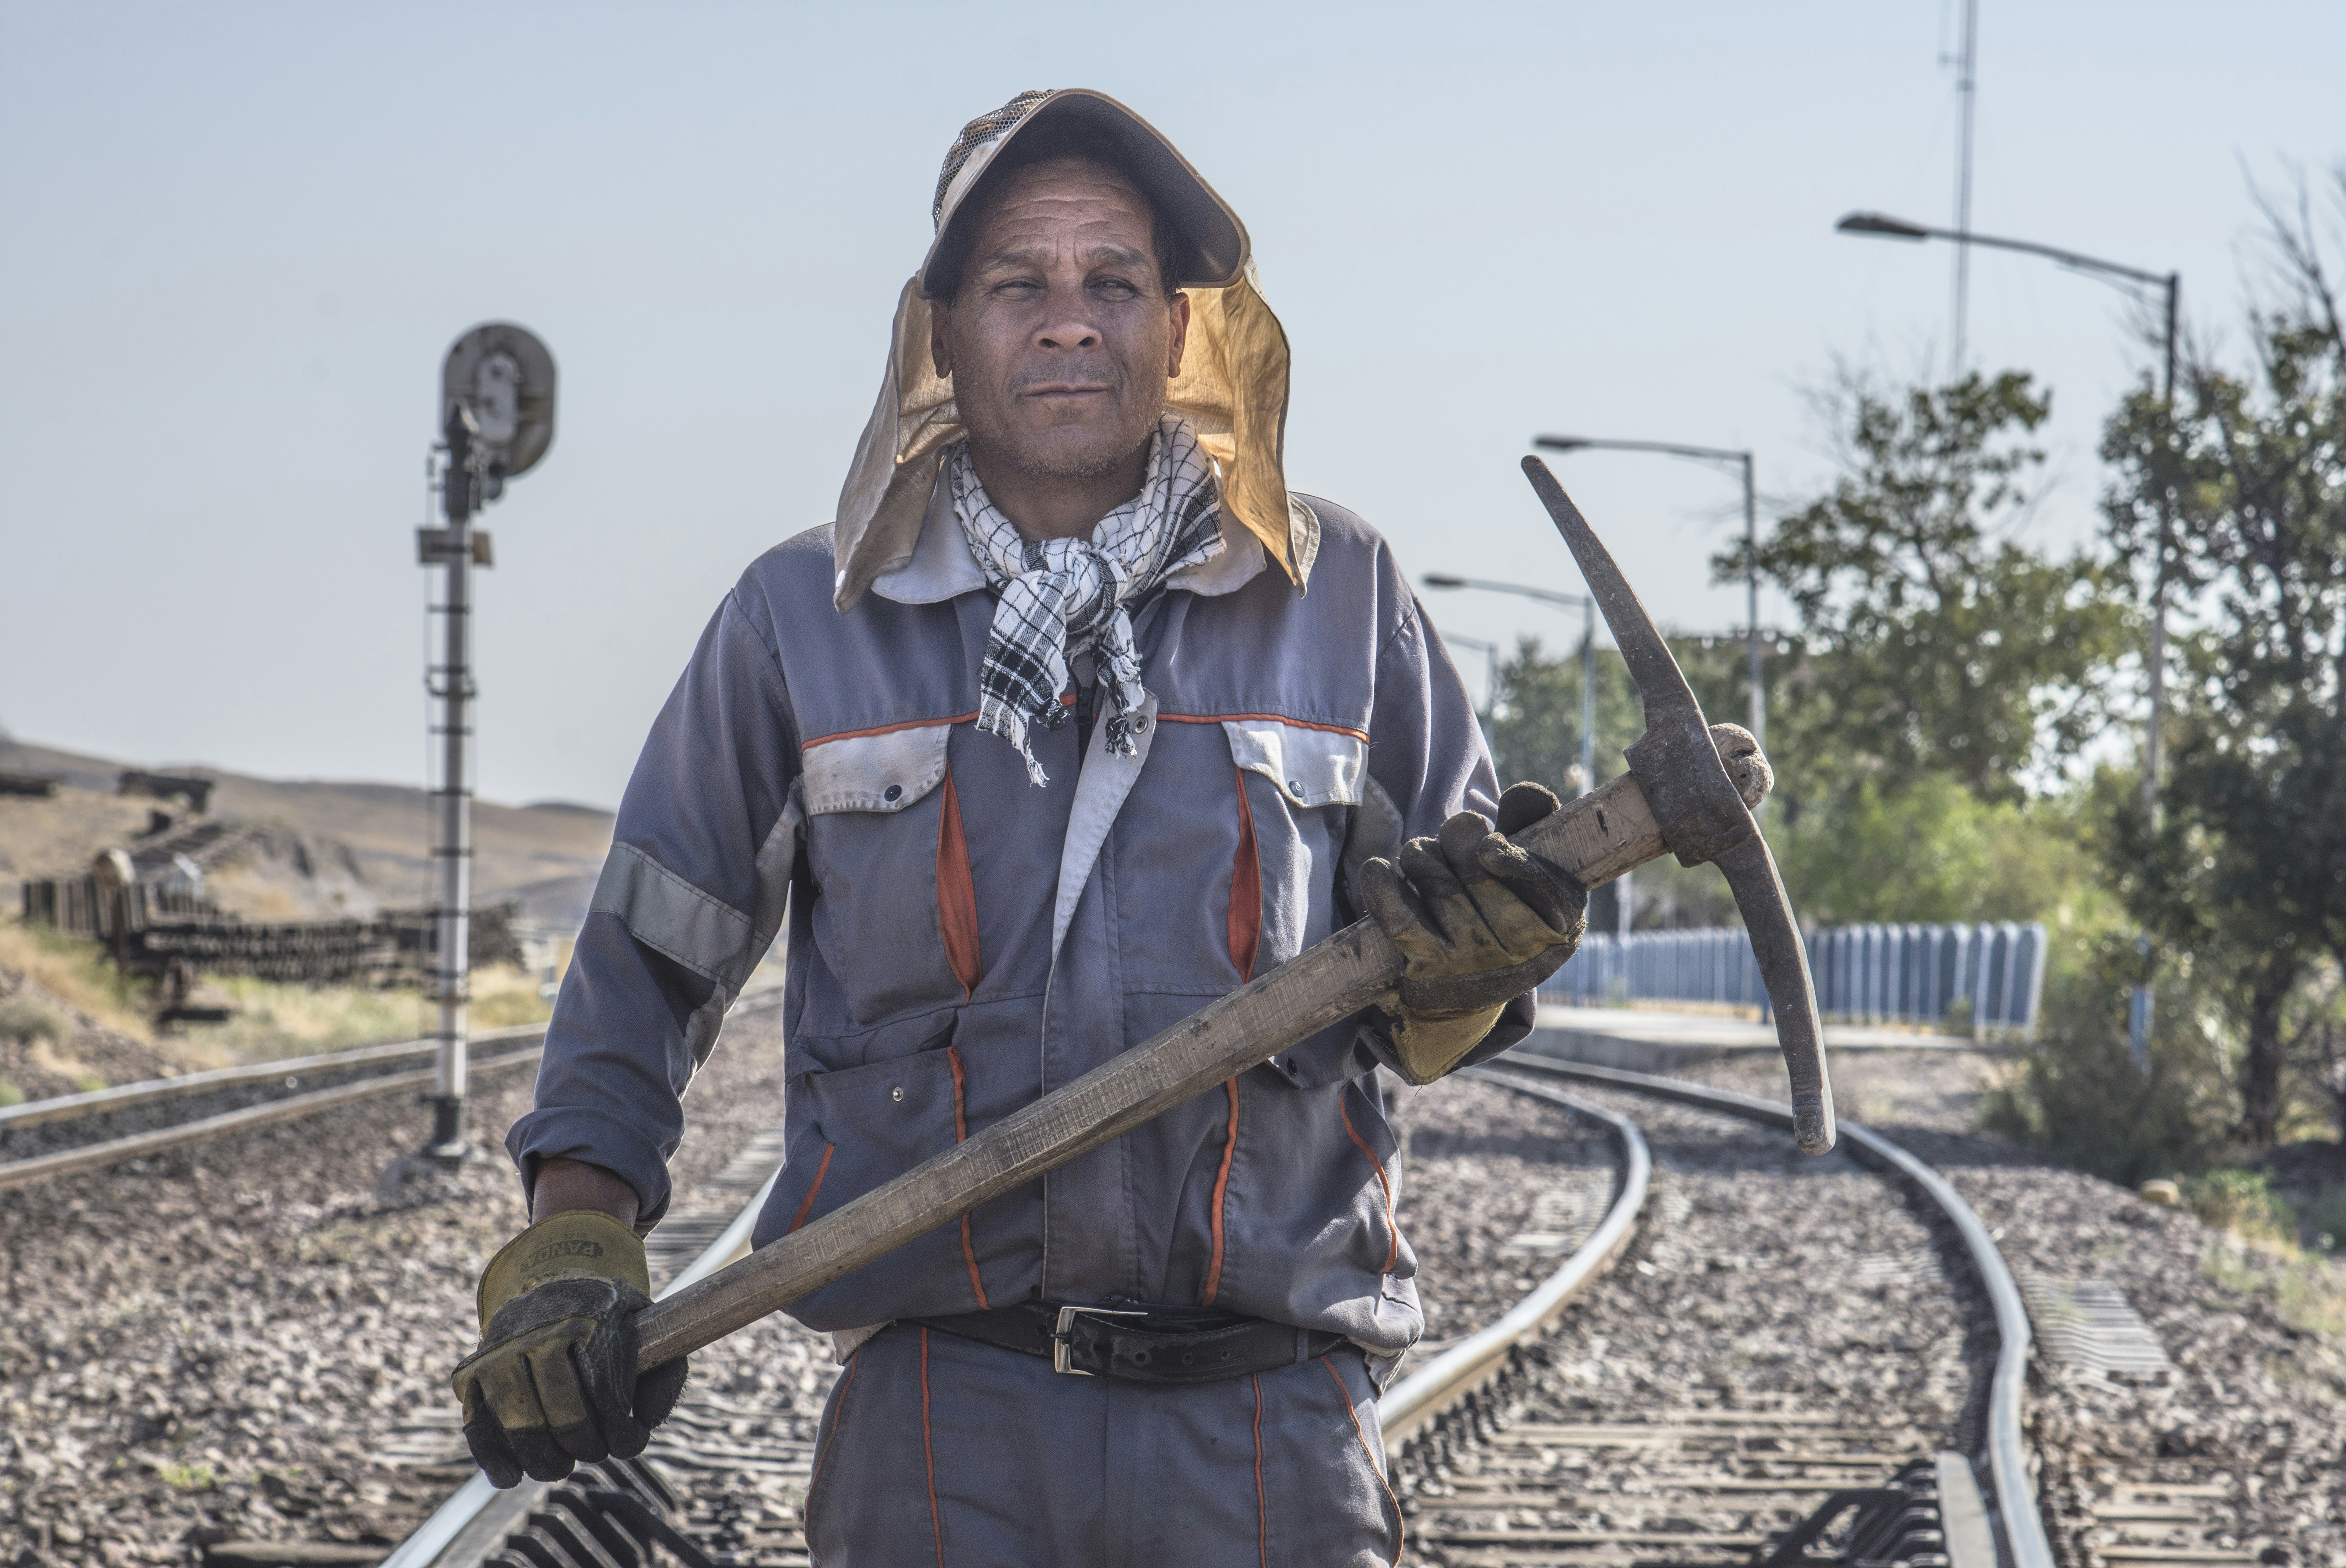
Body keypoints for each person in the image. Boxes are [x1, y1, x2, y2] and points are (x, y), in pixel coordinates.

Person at [451, 88, 1585, 1566]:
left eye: (1113, 281)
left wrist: (1474, 969)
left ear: (1178, 331)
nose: (1068, 323)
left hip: (1270, 1431)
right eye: (1016, 283)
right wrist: (576, 1232)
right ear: (940, 331)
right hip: (942, 1431)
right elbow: (645, 962)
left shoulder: (1336, 597)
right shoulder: (807, 623)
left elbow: (1445, 973)